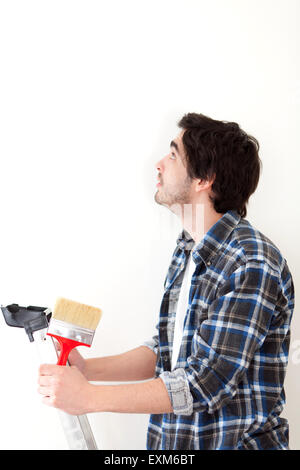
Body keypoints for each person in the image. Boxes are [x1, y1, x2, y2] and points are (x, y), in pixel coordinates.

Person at [38, 112, 294, 450]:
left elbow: (205, 380)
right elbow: (168, 352)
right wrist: (87, 371)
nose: (158, 164)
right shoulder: (189, 249)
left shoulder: (251, 261)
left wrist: (88, 398)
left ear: (205, 178)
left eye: (173, 154)